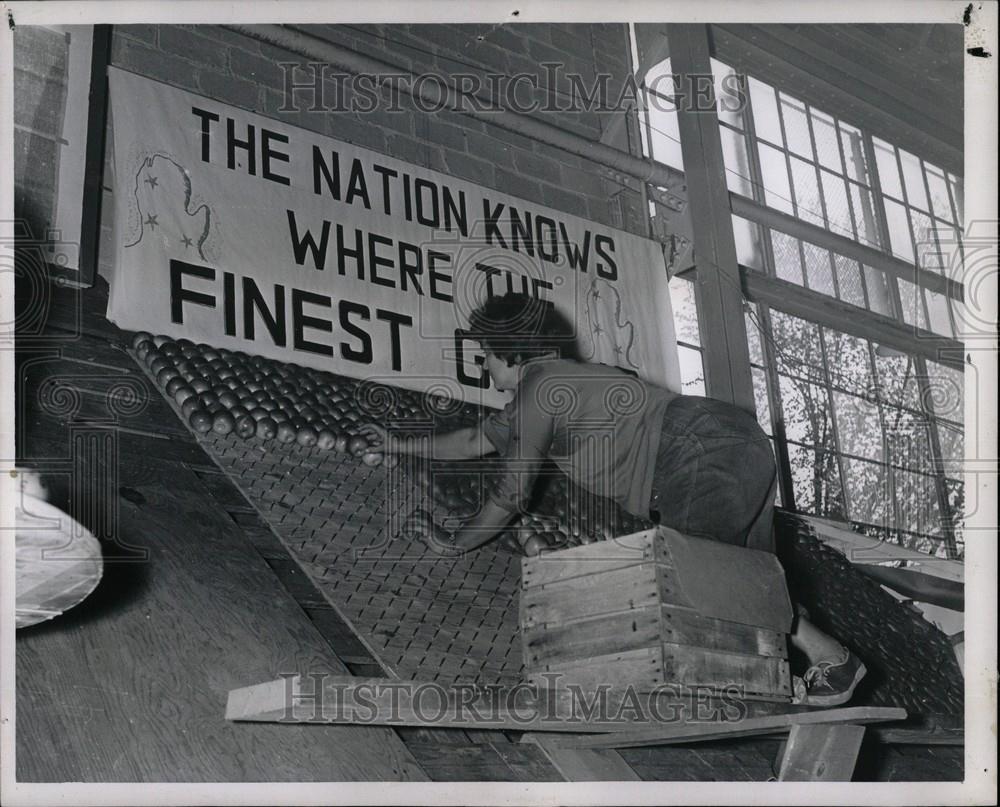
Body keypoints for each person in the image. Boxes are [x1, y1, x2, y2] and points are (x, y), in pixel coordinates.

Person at [361, 292, 866, 707]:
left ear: (510, 352)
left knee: (698, 585)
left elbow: (510, 495)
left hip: (697, 449)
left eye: (486, 356)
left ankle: (747, 692)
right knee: (746, 579)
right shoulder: (553, 388)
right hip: (737, 443)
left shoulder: (542, 389)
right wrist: (394, 442)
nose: (484, 367)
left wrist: (455, 541)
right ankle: (834, 661)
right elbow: (473, 441)